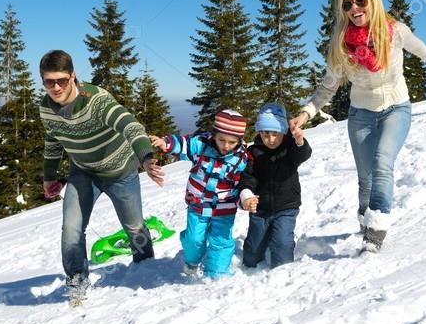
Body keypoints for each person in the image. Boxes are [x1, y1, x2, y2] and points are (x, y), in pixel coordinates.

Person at [289, 0, 426, 253]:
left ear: (373, 1)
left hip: (396, 107)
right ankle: (366, 223)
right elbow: (327, 88)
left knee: (382, 162)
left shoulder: (395, 32)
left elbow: (422, 49)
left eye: (360, 1)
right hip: (361, 113)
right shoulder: (341, 45)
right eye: (347, 4)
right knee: (365, 177)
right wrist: (305, 114)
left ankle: (375, 234)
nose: (354, 8)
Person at [39, 50, 165, 302]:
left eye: (61, 80)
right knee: (71, 229)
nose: (55, 87)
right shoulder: (46, 108)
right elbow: (52, 141)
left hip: (120, 171)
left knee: (134, 226)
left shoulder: (96, 101)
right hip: (83, 172)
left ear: (73, 76)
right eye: (48, 81)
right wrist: (49, 176)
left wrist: (146, 158)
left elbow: (130, 125)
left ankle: (145, 267)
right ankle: (76, 280)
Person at [149, 109, 253, 279]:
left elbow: (243, 183)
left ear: (239, 141)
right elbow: (183, 143)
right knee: (194, 239)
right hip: (198, 204)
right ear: (214, 135)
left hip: (224, 207)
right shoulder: (202, 145)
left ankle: (217, 272)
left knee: (221, 240)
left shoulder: (241, 159)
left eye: (232, 142)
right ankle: (192, 261)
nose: (226, 146)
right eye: (221, 140)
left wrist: (244, 201)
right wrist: (166, 143)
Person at [238, 103, 312, 269]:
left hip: (286, 206)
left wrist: (299, 140)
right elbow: (248, 176)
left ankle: (282, 270)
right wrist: (247, 193)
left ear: (283, 131)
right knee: (252, 250)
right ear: (259, 133)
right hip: (261, 208)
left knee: (282, 243)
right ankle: (251, 266)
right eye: (265, 134)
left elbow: (303, 154)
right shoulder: (254, 151)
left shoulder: (289, 148)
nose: (270, 139)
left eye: (275, 134)